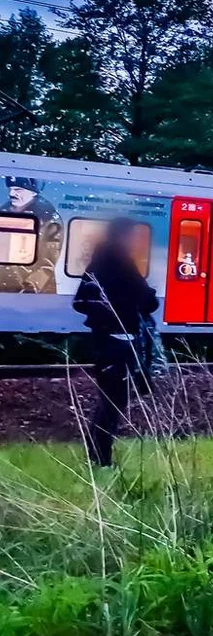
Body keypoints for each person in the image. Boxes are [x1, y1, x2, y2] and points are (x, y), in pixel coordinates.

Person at [72, 218, 158, 467]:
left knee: (109, 401)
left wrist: (101, 315)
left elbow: (79, 302)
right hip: (119, 342)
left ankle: (98, 457)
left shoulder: (97, 264)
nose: (135, 240)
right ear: (123, 236)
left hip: (103, 339)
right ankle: (101, 460)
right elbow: (148, 301)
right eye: (132, 235)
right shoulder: (122, 264)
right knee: (113, 403)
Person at [1, 176, 62, 294]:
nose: (11, 193)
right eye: (11, 188)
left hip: (35, 295)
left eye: (18, 190)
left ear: (33, 193)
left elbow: (47, 263)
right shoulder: (4, 212)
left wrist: (31, 287)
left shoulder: (49, 219)